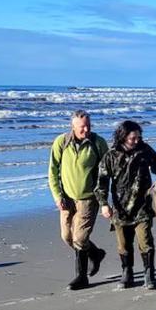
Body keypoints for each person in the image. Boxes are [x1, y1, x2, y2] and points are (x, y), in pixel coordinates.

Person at [95, 120, 156, 290]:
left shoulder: (144, 149)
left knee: (145, 241)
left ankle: (149, 274)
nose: (137, 140)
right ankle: (127, 272)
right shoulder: (111, 155)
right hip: (120, 209)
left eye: (139, 137)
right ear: (123, 137)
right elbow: (101, 181)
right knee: (123, 244)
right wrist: (103, 204)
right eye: (133, 138)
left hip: (142, 205)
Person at [48, 109, 110, 291]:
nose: (86, 130)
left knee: (80, 238)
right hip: (66, 199)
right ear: (73, 126)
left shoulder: (98, 143)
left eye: (88, 126)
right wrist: (57, 196)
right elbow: (52, 171)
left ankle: (81, 277)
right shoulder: (61, 142)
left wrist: (104, 200)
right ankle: (96, 254)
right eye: (82, 127)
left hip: (88, 199)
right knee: (67, 237)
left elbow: (106, 172)